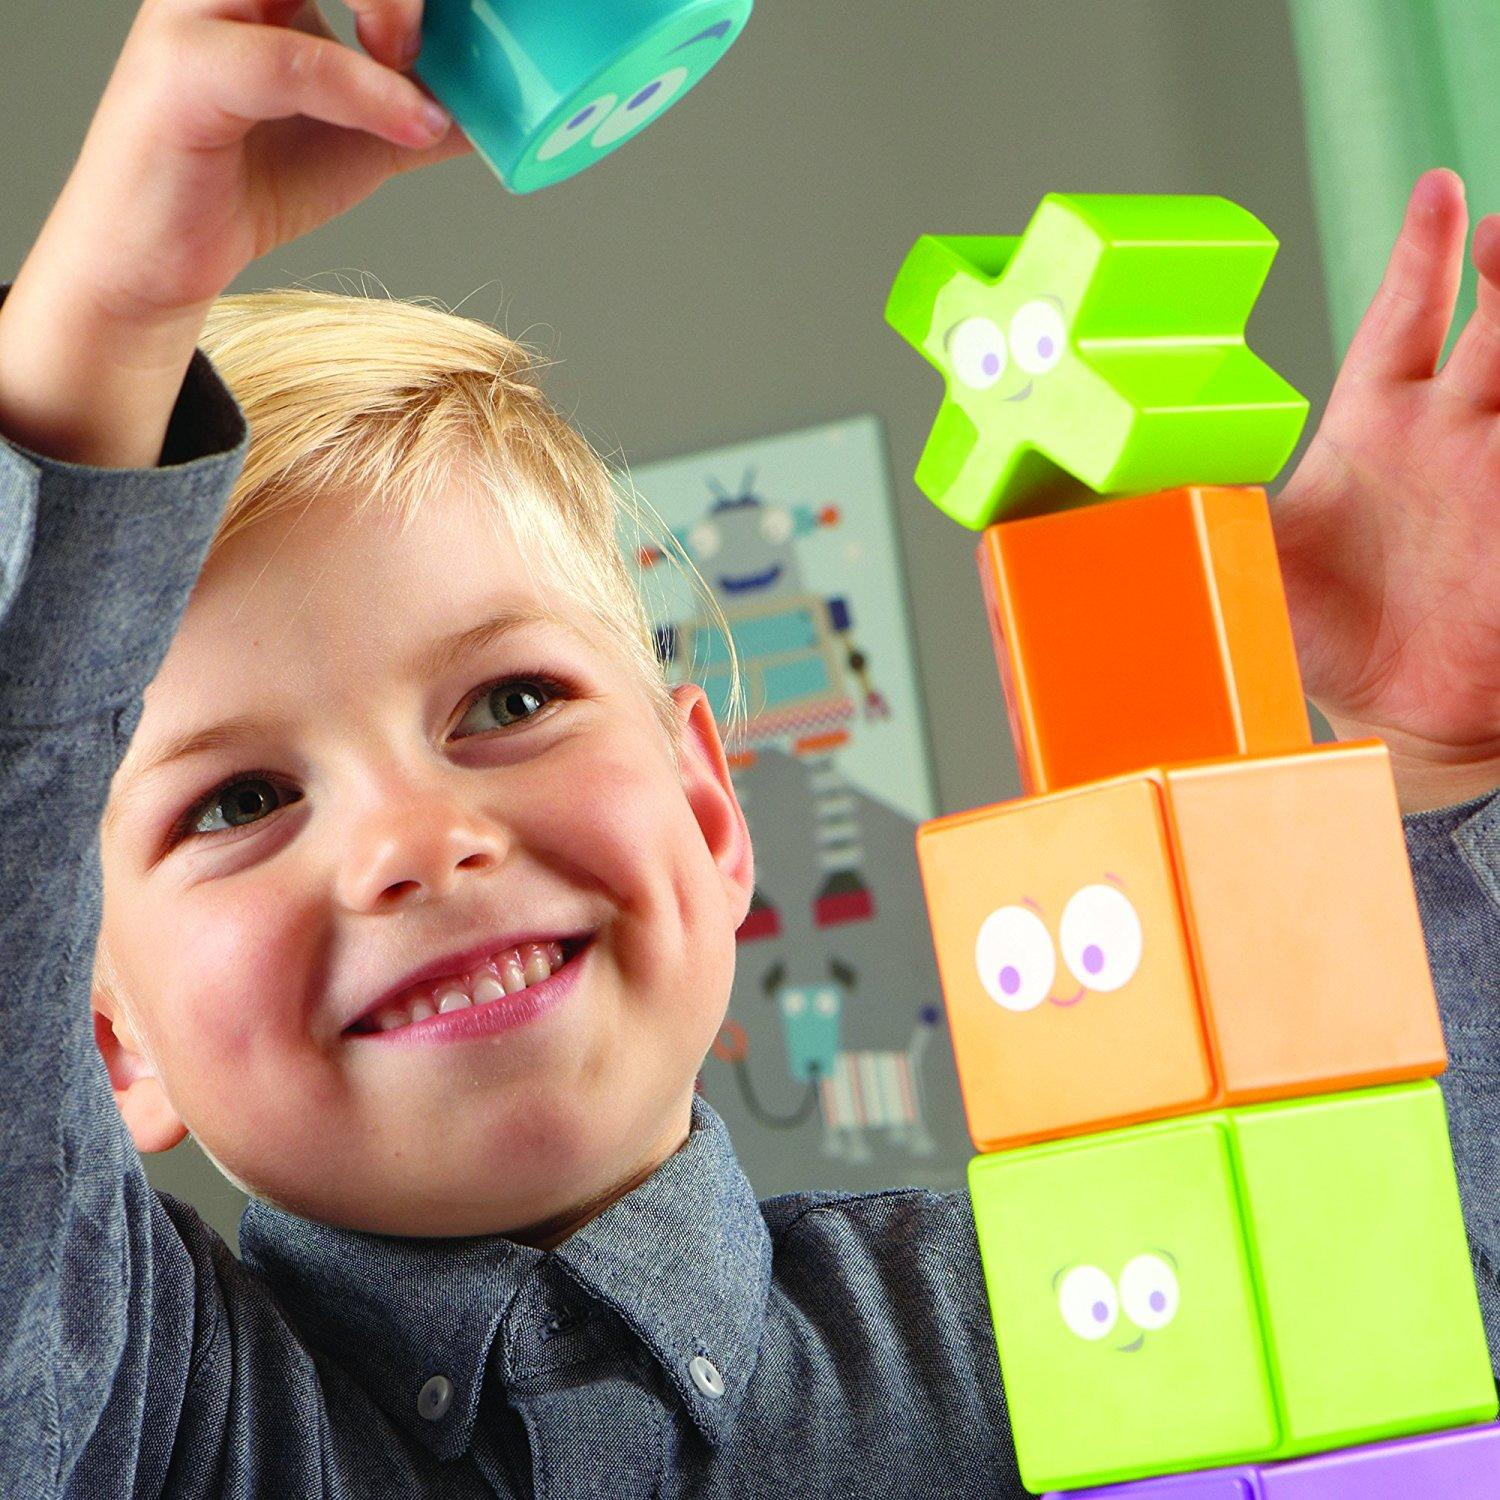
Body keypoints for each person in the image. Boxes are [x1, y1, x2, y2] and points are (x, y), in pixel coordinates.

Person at [0, 2, 1494, 1495]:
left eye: (509, 704)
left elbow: (1435, 1288)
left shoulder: (1078, 1313)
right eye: (240, 801)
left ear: (711, 814)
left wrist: (1443, 758)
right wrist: (115, 313)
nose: (419, 838)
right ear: (101, 1034)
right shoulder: (139, 1420)